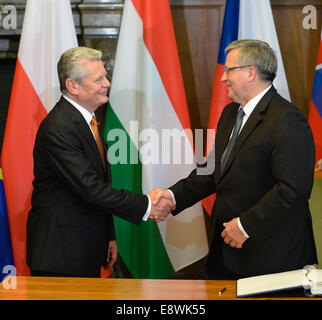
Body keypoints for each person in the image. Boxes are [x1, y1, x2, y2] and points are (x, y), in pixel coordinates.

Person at [151, 39, 318, 279]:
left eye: (229, 70)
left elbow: (293, 189)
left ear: (251, 73)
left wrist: (246, 226)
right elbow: (214, 169)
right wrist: (173, 196)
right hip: (226, 254)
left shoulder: (287, 119)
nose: (222, 77)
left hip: (271, 258)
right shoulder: (231, 113)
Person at [26, 47, 174, 278]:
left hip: (83, 246)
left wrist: (109, 236)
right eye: (98, 79)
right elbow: (91, 189)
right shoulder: (59, 127)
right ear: (73, 86)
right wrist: (146, 204)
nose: (107, 83)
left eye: (105, 76)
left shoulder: (87, 120)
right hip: (61, 255)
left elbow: (97, 184)